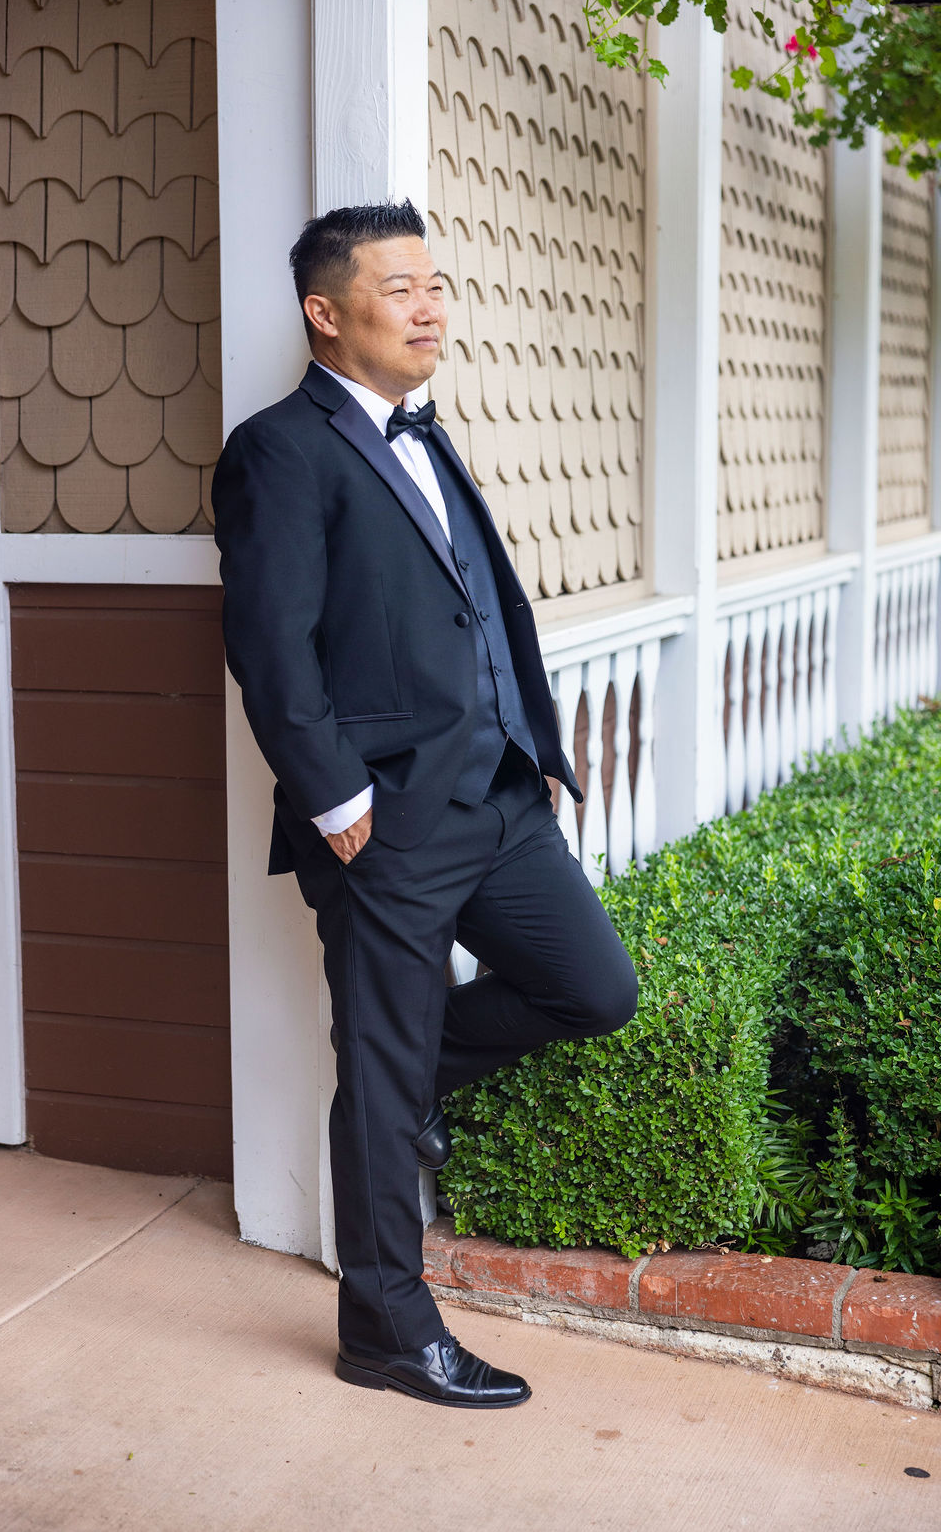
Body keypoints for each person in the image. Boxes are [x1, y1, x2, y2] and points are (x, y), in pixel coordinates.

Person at [212, 200, 638, 1409]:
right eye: (399, 288)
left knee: (594, 988)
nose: (430, 306)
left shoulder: (423, 430)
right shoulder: (278, 450)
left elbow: (476, 606)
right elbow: (270, 643)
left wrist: (532, 746)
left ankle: (401, 1083)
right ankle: (388, 1330)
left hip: (499, 801)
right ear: (325, 312)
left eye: (435, 284)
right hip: (387, 820)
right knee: (381, 1075)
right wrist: (334, 791)